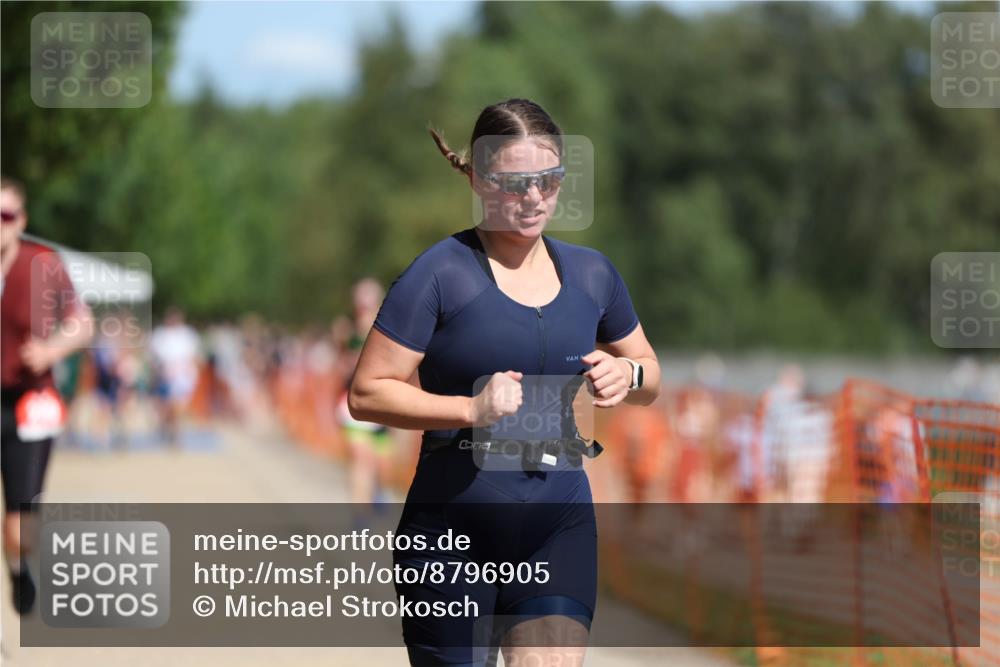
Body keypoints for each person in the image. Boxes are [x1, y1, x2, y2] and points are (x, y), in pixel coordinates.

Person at [348, 99, 660, 667]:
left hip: (556, 521)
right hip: (451, 530)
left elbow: (651, 374)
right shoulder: (439, 273)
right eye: (516, 183)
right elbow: (367, 392)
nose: (535, 197)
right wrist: (470, 409)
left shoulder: (593, 275)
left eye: (548, 180)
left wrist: (629, 373)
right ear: (479, 179)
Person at [1, 175, 94, 614]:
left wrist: (52, 349)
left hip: (28, 403)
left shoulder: (44, 264)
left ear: (22, 220)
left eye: (6, 215)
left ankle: (20, 568)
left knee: (20, 522)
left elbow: (83, 323)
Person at [335, 279, 396, 525]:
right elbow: (342, 367)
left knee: (382, 466)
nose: (363, 309)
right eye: (360, 304)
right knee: (361, 459)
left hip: (382, 406)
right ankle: (360, 516)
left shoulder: (390, 328)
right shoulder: (347, 331)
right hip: (353, 404)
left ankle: (380, 491)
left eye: (368, 303)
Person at [149, 306, 201, 446]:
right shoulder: (160, 335)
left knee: (177, 407)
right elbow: (153, 358)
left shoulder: (188, 335)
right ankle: (168, 427)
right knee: (165, 407)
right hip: (164, 376)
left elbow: (194, 356)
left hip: (182, 378)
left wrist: (190, 373)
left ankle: (176, 434)